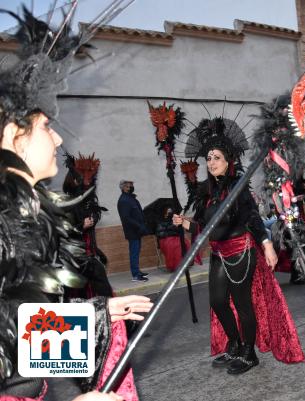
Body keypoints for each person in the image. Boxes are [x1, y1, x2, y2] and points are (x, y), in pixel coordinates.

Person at [0, 6, 153, 400]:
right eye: (46, 127)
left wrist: (95, 317)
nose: (57, 140)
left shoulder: (22, 215)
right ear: (15, 135)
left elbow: (18, 335)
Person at [172, 117, 304, 374]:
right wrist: (184, 223)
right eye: (208, 158)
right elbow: (203, 226)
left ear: (228, 160)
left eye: (217, 158)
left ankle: (249, 352)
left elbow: (252, 216)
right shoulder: (205, 191)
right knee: (218, 301)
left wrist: (266, 244)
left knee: (243, 304)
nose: (211, 162)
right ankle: (233, 343)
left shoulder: (237, 187)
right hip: (219, 253)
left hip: (241, 250)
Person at [63, 152, 113, 297]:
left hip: (89, 255)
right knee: (80, 293)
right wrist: (80, 226)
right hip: (76, 259)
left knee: (101, 287)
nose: (87, 181)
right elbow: (64, 232)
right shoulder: (68, 203)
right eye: (82, 177)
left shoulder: (88, 202)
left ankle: (106, 312)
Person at [117, 180, 150, 282]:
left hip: (137, 231)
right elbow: (126, 218)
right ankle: (135, 275)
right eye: (129, 186)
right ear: (123, 188)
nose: (131, 187)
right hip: (133, 231)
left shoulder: (130, 198)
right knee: (134, 252)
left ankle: (137, 271)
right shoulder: (124, 200)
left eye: (131, 185)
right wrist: (139, 226)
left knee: (136, 252)